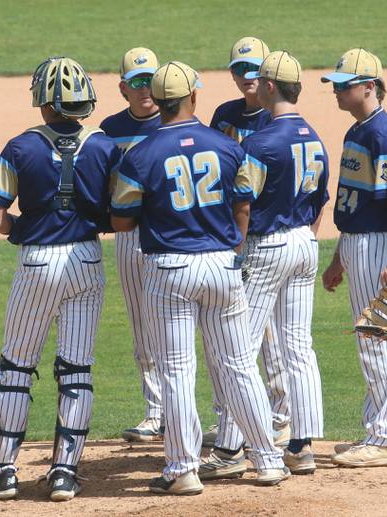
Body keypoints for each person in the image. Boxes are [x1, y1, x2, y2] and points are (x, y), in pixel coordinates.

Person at [111, 61, 289, 495]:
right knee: (240, 366)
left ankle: (182, 469)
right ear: (194, 97)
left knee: (177, 370)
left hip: (170, 270)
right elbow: (244, 206)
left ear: (160, 101)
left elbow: (121, 223)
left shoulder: (141, 155)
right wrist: (232, 249)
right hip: (223, 267)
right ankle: (268, 460)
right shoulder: (228, 147)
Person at [0, 56, 121, 502]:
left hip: (37, 263)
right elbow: (120, 212)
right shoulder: (106, 147)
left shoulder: (20, 147)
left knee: (17, 366)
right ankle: (64, 474)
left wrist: (32, 229)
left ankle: (1, 472)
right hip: (88, 260)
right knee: (76, 367)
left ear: (41, 101)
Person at [202, 51, 329, 479]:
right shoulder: (314, 137)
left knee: (239, 348)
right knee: (299, 346)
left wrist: (237, 253)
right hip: (304, 244)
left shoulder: (260, 143)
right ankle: (302, 445)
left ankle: (229, 447)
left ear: (270, 87)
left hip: (266, 246)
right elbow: (319, 202)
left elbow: (242, 203)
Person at [320, 48, 387, 468]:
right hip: (359, 242)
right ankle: (377, 430)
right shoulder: (357, 131)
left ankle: (385, 437)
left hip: (379, 246)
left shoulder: (384, 134)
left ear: (369, 87)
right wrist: (340, 258)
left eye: (344, 85)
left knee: (380, 339)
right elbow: (353, 201)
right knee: (369, 339)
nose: (336, 91)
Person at [203, 36, 291, 452]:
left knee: (265, 333)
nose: (247, 78)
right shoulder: (224, 115)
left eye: (254, 70)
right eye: (239, 70)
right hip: (229, 235)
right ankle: (238, 420)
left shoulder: (278, 119)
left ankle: (278, 417)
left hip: (262, 235)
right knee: (235, 332)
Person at [99, 47, 164, 443]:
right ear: (123, 88)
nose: (145, 89)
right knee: (142, 324)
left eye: (150, 80)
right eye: (137, 82)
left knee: (180, 325)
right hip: (128, 236)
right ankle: (155, 411)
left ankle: (186, 410)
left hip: (171, 238)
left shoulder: (175, 121)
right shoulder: (109, 129)